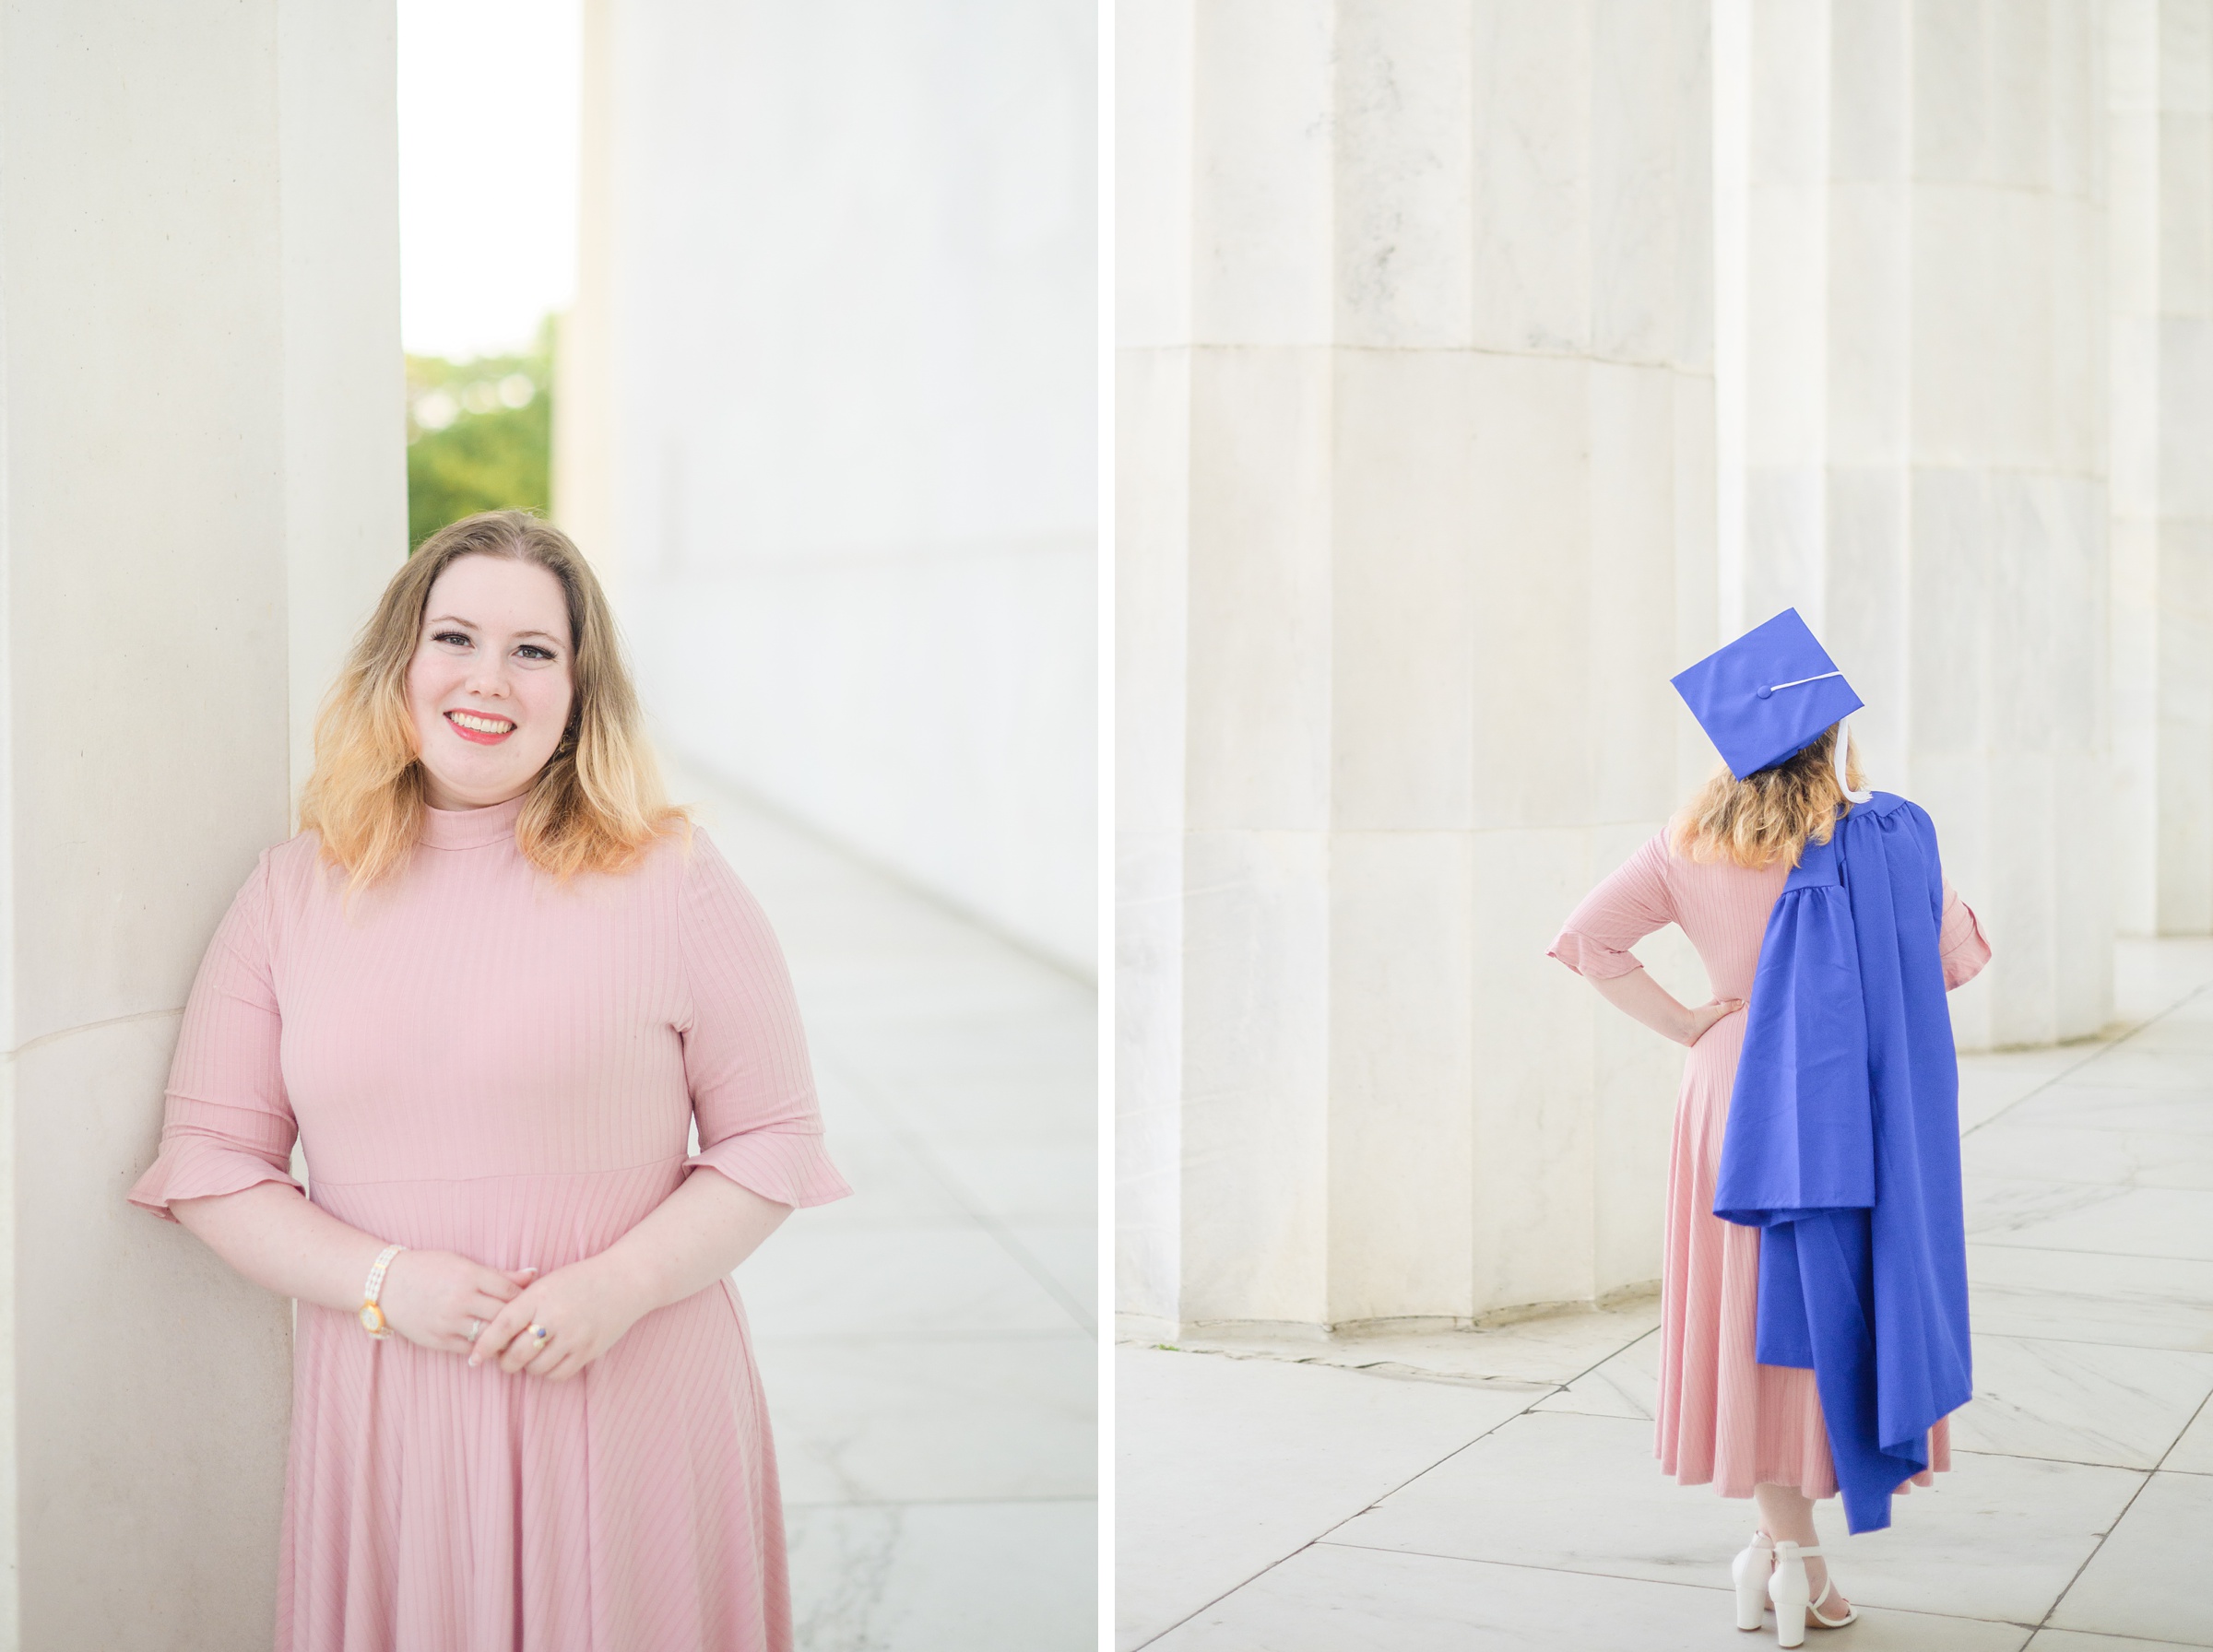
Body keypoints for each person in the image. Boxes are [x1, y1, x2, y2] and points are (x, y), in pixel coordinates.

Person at [128, 510, 850, 1652]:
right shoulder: (291, 894)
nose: (489, 679)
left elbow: (775, 1136)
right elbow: (209, 1166)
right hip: (396, 1417)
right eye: (455, 637)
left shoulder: (675, 877)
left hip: (634, 1396)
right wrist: (382, 1280)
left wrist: (620, 1284)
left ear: (578, 691)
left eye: (533, 651)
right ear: (399, 666)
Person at [1547, 610, 1988, 1646]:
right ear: (1833, 735)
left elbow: (1587, 940)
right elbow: (1959, 956)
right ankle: (1801, 1564)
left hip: (1730, 1092)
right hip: (1847, 1099)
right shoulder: (1887, 833)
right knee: (1825, 1311)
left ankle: (1777, 1555)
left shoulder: (1684, 841)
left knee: (1752, 1319)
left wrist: (1691, 1019)